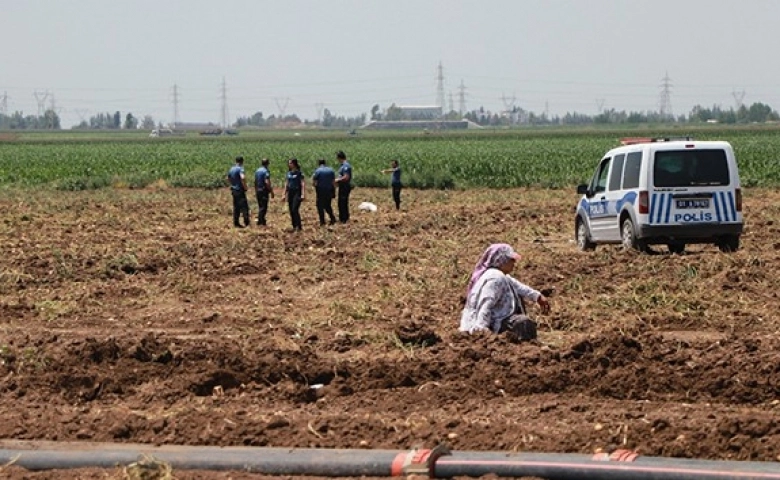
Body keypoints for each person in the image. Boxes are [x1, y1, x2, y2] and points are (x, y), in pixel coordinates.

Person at [459, 243, 550, 339]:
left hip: (500, 318)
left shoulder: (502, 275)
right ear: (501, 260)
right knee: (524, 323)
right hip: (494, 323)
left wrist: (537, 296)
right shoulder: (495, 278)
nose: (514, 262)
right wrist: (481, 330)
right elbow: (486, 303)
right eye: (511, 260)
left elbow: (519, 287)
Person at [226, 155, 250, 228]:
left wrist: (232, 185)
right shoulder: (240, 169)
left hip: (234, 190)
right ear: (242, 161)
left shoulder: (231, 169)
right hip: (240, 190)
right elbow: (242, 178)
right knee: (244, 207)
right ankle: (247, 223)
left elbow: (227, 178)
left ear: (235, 161)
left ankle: (236, 223)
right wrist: (245, 187)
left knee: (236, 207)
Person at [312, 158, 337, 226]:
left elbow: (314, 182)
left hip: (321, 191)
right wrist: (334, 192)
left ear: (318, 163)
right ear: (325, 163)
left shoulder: (317, 171)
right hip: (329, 190)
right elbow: (333, 182)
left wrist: (315, 187)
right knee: (327, 205)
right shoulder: (331, 170)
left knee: (320, 206)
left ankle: (322, 221)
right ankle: (332, 218)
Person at [283, 158, 305, 231]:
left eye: (290, 163)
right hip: (290, 193)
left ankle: (299, 226)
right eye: (288, 163)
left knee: (295, 209)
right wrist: (284, 194)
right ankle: (294, 226)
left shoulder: (299, 173)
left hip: (297, 192)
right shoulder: (289, 173)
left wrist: (303, 194)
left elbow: (302, 184)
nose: (289, 164)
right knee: (291, 210)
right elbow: (286, 184)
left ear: (294, 164)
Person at [254, 158, 274, 226]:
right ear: (268, 164)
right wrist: (271, 191)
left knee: (260, 206)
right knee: (263, 207)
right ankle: (261, 221)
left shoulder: (257, 171)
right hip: (263, 191)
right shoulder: (266, 171)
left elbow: (255, 181)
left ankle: (261, 220)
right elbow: (267, 182)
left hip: (258, 190)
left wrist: (256, 190)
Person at [334, 150, 352, 223]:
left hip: (345, 186)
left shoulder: (346, 166)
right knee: (341, 202)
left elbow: (346, 177)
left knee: (343, 202)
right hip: (342, 186)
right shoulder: (343, 166)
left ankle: (344, 218)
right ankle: (343, 218)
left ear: (339, 158)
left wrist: (337, 180)